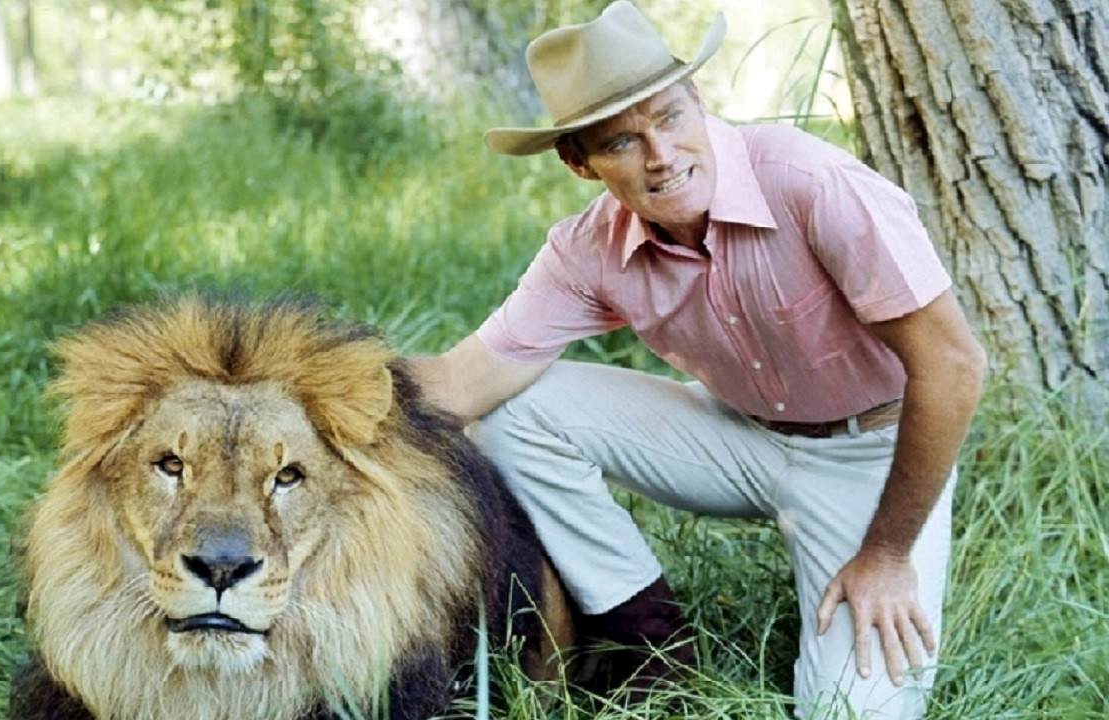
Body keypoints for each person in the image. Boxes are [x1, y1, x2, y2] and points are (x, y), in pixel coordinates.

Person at [409, 1, 988, 718]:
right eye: (623, 141)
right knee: (514, 410)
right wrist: (306, 390)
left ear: (699, 100)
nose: (661, 154)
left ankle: (868, 566)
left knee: (851, 711)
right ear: (580, 162)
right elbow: (460, 382)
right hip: (738, 433)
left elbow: (953, 366)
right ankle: (650, 647)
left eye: (671, 116)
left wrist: (888, 555)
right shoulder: (588, 248)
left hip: (868, 455)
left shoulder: (812, 184)